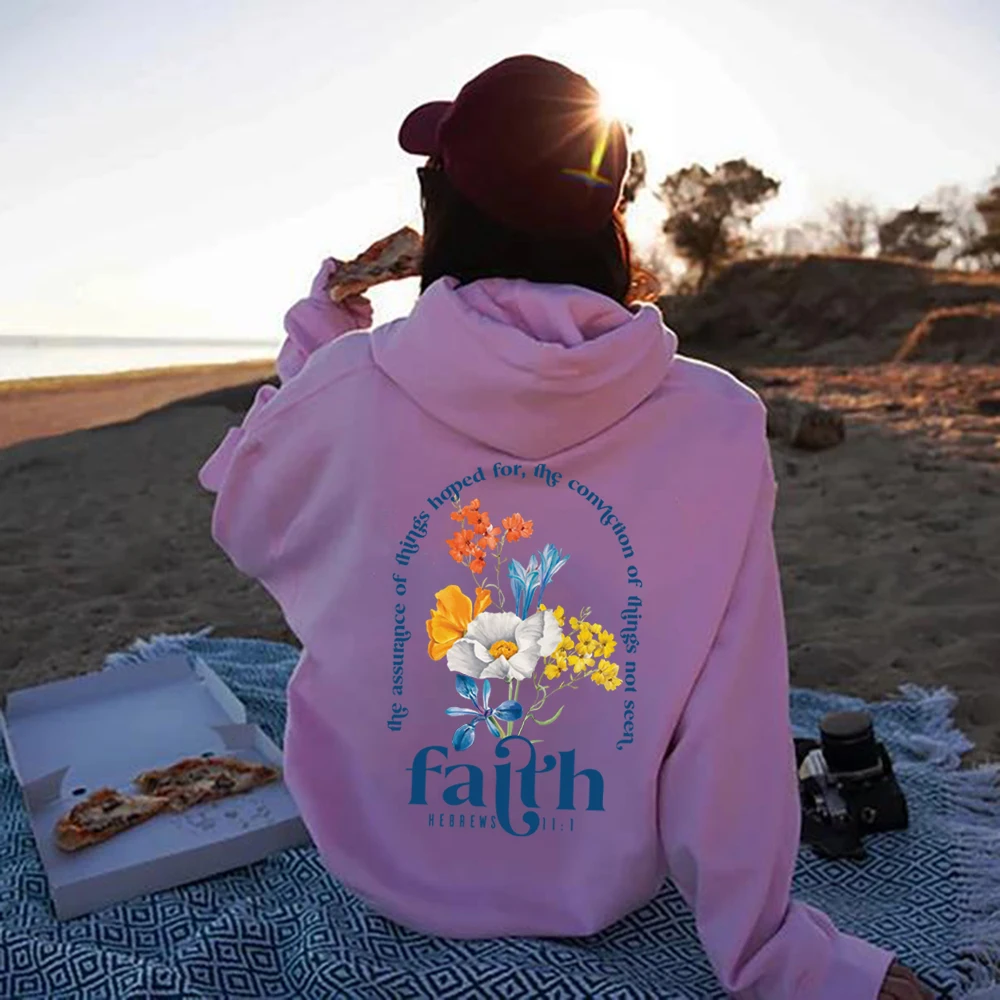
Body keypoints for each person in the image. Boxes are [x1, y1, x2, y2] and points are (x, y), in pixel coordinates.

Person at [199, 54, 933, 1000]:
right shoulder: (715, 420)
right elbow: (734, 705)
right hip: (605, 880)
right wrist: (773, 951)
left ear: (446, 214)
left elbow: (250, 519)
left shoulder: (348, 387)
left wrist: (315, 347)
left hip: (376, 857)